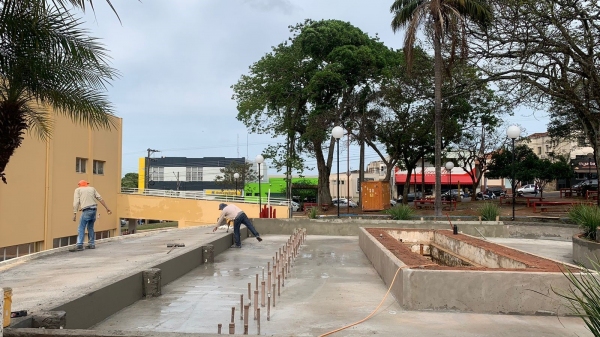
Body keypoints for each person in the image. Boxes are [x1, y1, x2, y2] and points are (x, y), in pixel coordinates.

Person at [72, 180, 112, 251]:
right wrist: (107, 208)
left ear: (79, 185)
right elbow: (100, 198)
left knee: (81, 227)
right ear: (87, 184)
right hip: (94, 209)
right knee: (90, 227)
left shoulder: (78, 190)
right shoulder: (92, 188)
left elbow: (76, 202)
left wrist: (75, 213)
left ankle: (79, 244)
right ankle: (91, 244)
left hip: (86, 210)